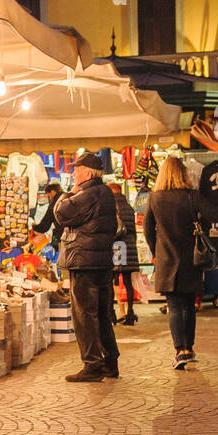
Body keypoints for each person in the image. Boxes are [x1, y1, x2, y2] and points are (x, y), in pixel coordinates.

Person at [53, 152, 120, 382]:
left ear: (88, 172)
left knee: (84, 315)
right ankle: (110, 363)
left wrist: (66, 193)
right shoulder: (106, 193)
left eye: (76, 169)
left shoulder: (88, 193)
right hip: (101, 262)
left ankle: (92, 365)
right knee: (101, 314)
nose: (73, 173)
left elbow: (61, 213)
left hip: (84, 262)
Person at [143, 155, 204, 370]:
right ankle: (189, 347)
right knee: (189, 304)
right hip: (191, 258)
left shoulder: (155, 197)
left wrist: (155, 251)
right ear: (183, 173)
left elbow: (148, 230)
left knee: (174, 306)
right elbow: (203, 223)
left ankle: (180, 351)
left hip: (167, 258)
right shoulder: (192, 196)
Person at [107, 181, 140, 326]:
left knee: (111, 280)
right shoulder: (129, 207)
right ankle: (130, 313)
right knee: (127, 281)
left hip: (116, 246)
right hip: (129, 246)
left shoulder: (109, 207)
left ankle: (111, 313)